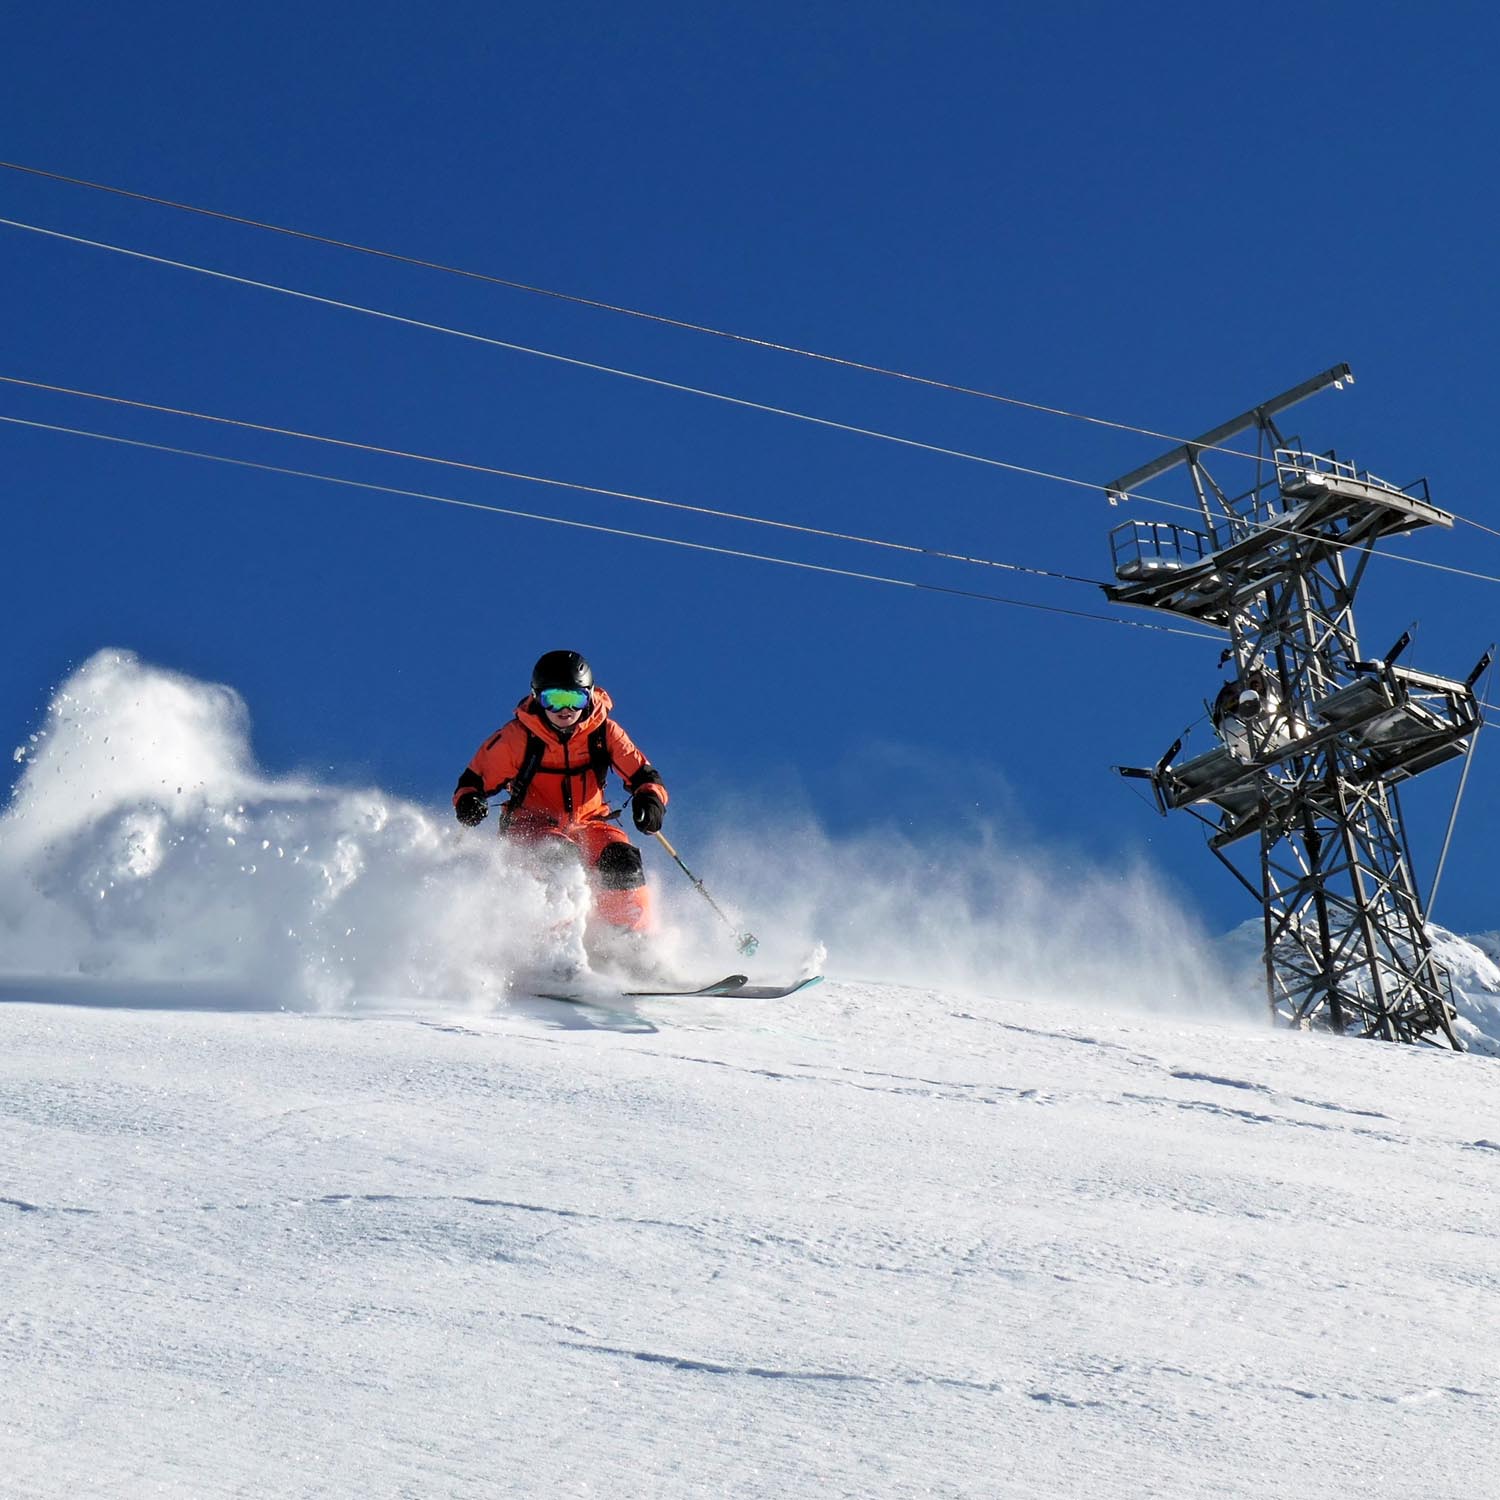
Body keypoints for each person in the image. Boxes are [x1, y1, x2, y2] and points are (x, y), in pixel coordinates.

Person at [452, 650, 668, 937]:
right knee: (557, 856)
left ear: (589, 696)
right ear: (537, 697)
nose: (564, 710)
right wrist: (470, 801)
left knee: (622, 860)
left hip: (589, 822)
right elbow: (473, 780)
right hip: (531, 825)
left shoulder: (604, 732)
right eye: (553, 699)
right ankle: (553, 950)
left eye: (574, 698)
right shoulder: (519, 737)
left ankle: (628, 944)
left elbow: (644, 775)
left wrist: (649, 800)